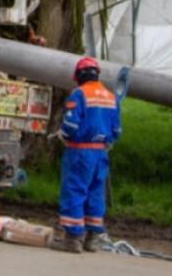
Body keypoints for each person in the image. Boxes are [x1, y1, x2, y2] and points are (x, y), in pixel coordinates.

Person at [50, 56, 122, 253]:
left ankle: (72, 240)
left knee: (75, 190)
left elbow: (71, 125)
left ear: (79, 76)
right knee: (95, 193)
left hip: (80, 152)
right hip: (101, 154)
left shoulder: (79, 94)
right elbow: (116, 131)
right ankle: (91, 239)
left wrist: (62, 135)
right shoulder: (110, 96)